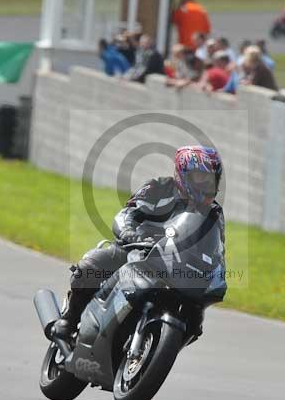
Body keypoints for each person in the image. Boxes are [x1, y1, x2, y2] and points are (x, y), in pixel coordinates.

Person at [53, 145, 226, 342]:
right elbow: (127, 213)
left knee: (195, 320)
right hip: (138, 248)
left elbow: (217, 247)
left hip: (177, 263)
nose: (206, 183)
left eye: (211, 178)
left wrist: (217, 267)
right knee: (91, 267)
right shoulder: (158, 187)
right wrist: (129, 233)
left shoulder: (214, 213)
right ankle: (69, 319)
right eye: (200, 177)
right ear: (183, 173)